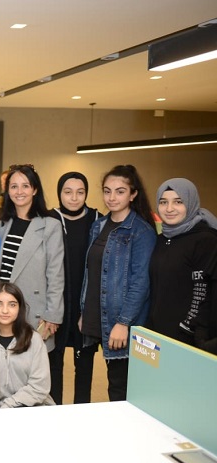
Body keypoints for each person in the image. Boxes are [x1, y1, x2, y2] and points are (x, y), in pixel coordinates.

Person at [80, 165, 156, 402]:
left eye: (120, 191)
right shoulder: (98, 226)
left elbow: (141, 282)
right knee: (87, 380)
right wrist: (84, 311)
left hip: (119, 321)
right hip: (95, 316)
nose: (112, 197)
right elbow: (91, 273)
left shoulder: (141, 232)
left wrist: (123, 323)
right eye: (107, 191)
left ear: (133, 194)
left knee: (120, 389)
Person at [0, 164, 64, 357]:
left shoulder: (50, 226)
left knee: (32, 368)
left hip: (34, 311)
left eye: (25, 186)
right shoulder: (3, 225)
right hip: (4, 309)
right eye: (14, 186)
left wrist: (52, 314)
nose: (19, 192)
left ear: (35, 190)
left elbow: (56, 275)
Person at [148, 178, 217, 353]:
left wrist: (188, 327)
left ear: (190, 202)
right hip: (157, 332)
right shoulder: (161, 239)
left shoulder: (205, 240)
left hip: (187, 337)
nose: (169, 208)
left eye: (178, 202)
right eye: (163, 202)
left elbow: (203, 291)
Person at [49, 172, 101, 404]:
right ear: (59, 193)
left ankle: (81, 416)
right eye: (68, 192)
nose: (74, 198)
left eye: (80, 192)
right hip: (57, 304)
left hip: (86, 304)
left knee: (85, 367)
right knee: (53, 366)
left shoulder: (98, 220)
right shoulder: (49, 219)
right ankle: (53, 415)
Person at [0, 282, 55, 409]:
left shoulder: (34, 340)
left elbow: (39, 387)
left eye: (12, 305)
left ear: (19, 308)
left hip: (34, 409)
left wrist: (7, 407)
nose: (5, 310)